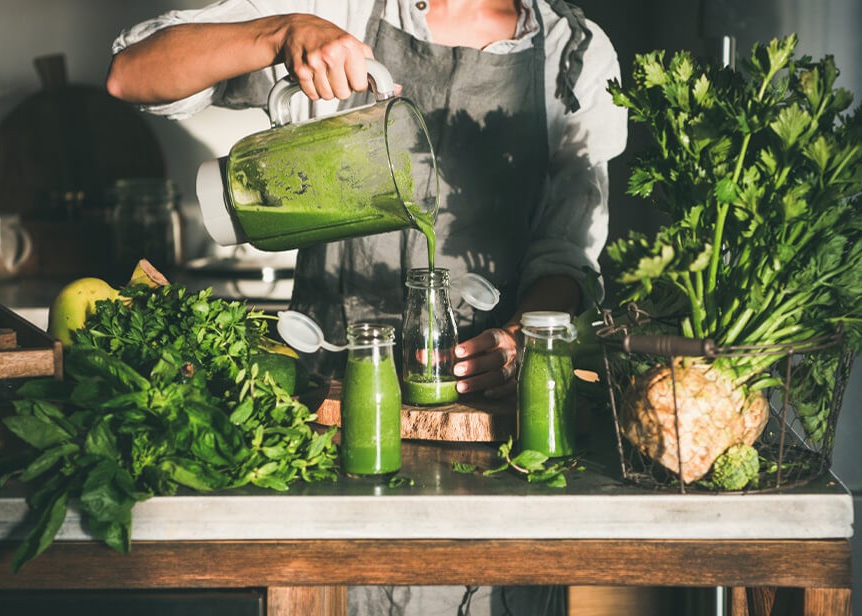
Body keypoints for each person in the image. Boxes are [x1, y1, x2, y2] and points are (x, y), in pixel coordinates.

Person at [108, 1, 626, 613]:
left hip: (498, 446)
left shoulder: (576, 54)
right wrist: (283, 33)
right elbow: (131, 73)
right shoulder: (341, 8)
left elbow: (565, 252)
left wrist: (519, 339)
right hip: (325, 427)